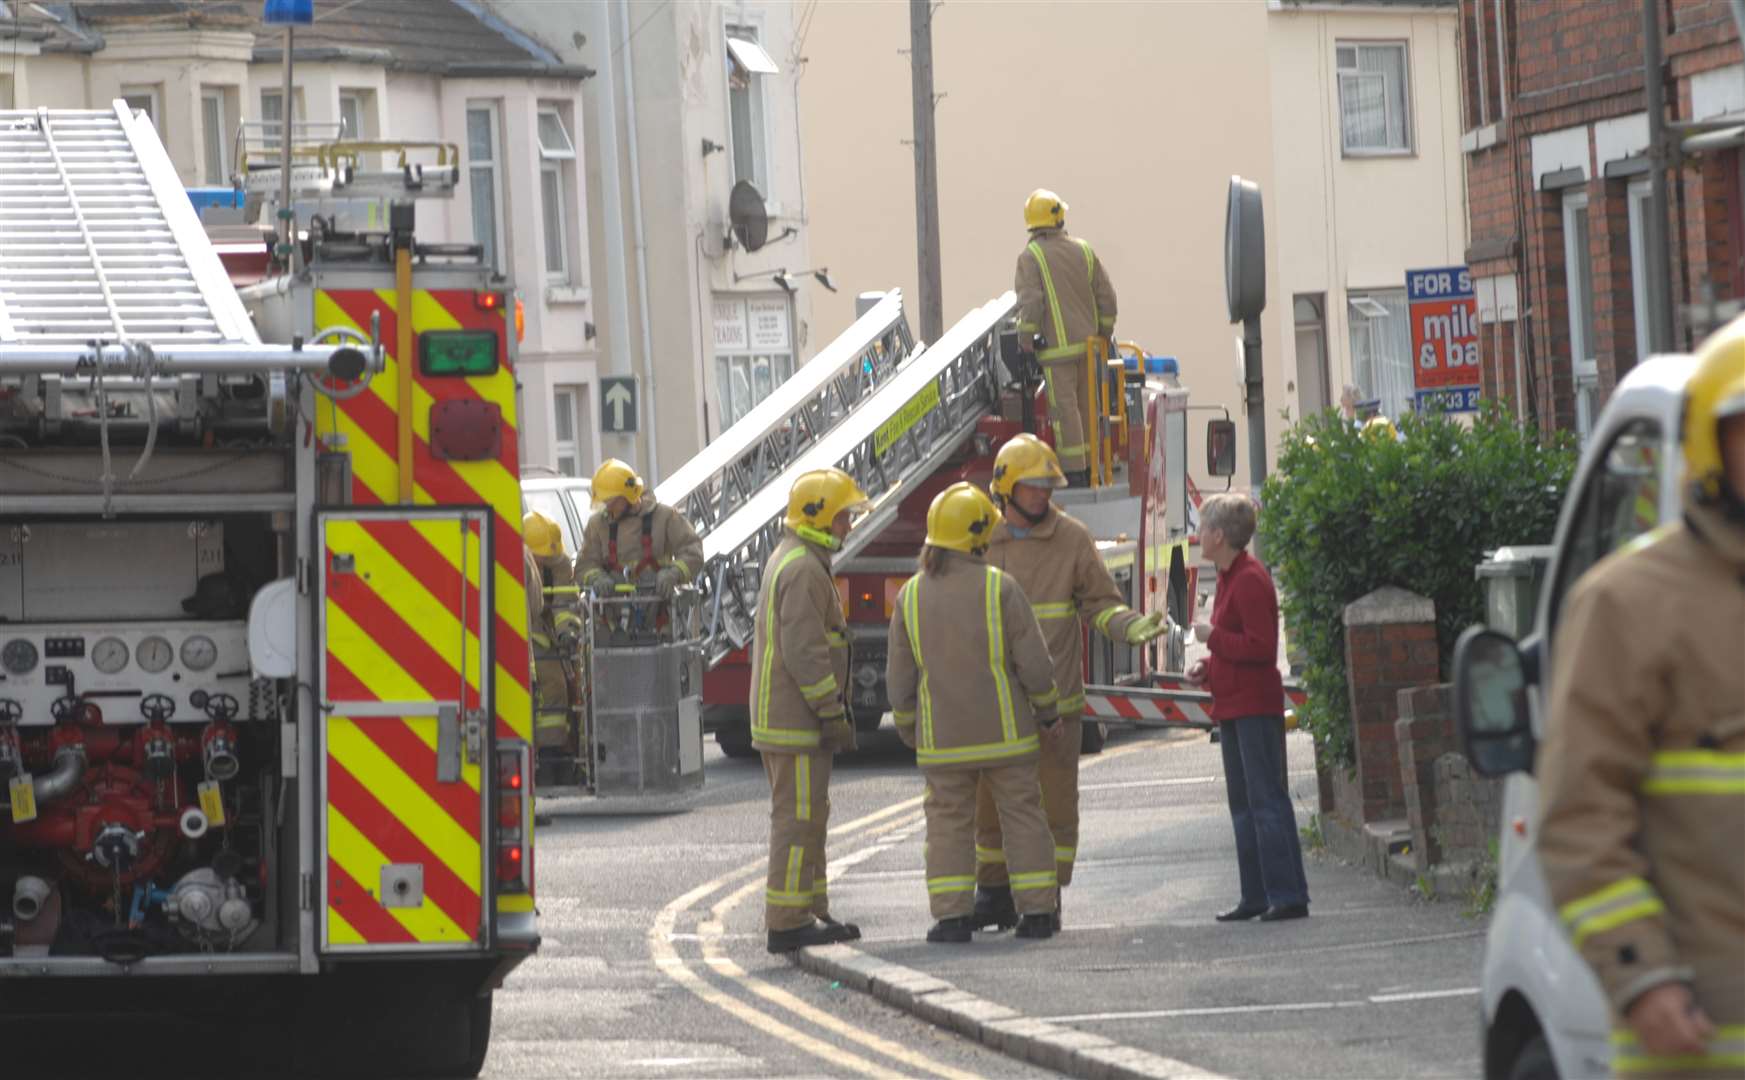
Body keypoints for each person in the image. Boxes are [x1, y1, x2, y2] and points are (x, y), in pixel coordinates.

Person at [1536, 327, 1744, 1076]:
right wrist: (1641, 978)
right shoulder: (1625, 606)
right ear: (1708, 444)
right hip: (1700, 1045)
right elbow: (1580, 818)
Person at [970, 434, 1167, 931]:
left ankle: (1045, 898)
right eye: (1033, 486)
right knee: (988, 804)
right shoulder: (980, 540)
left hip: (1057, 702)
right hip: (993, 703)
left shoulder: (1072, 539)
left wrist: (1129, 626)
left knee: (1055, 805)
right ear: (1006, 488)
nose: (1043, 495)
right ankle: (992, 893)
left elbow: (1100, 604)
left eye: (1048, 486)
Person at [887, 482, 1063, 943]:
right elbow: (1035, 664)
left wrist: (910, 727)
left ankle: (951, 918)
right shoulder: (1000, 588)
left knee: (947, 825)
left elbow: (899, 679)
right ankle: (1038, 914)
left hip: (943, 741)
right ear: (980, 535)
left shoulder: (908, 596)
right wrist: (1048, 713)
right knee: (1023, 818)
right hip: (1007, 735)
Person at [751, 468, 870, 953]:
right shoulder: (802, 569)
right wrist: (830, 711)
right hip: (795, 722)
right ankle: (787, 921)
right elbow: (805, 652)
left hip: (791, 720)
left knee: (809, 817)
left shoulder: (799, 560)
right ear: (819, 517)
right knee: (798, 821)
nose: (848, 526)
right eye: (843, 517)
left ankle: (810, 910)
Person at [1188, 492, 1310, 923]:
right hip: (1234, 705)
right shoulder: (1229, 576)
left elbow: (1260, 648)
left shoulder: (1250, 579)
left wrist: (1212, 640)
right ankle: (1256, 894)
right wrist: (1208, 666)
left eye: (1202, 528)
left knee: (1265, 801)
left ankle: (1287, 893)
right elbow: (1239, 644)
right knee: (1244, 804)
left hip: (1254, 706)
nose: (1197, 535)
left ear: (1219, 536)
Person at [1014, 188, 1117, 487]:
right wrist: (1103, 335)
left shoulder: (1030, 257)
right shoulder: (1084, 250)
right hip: (1090, 349)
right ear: (1059, 218)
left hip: (1057, 354)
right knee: (1090, 408)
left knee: (1065, 412)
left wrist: (1025, 341)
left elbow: (1031, 303)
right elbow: (1107, 300)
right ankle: (1092, 468)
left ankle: (1074, 471)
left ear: (1031, 223)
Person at [574, 458, 703, 600]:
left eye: (612, 501)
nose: (608, 507)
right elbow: (584, 565)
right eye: (605, 502)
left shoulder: (664, 517)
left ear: (629, 496)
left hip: (659, 611)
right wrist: (596, 577)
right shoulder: (598, 525)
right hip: (613, 614)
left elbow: (693, 551)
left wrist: (674, 573)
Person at [523, 511, 583, 764]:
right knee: (551, 685)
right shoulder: (521, 565)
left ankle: (555, 751)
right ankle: (546, 751)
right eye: (540, 558)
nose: (544, 562)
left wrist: (566, 631)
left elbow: (564, 601)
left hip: (553, 639)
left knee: (563, 689)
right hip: (531, 637)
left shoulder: (558, 563)